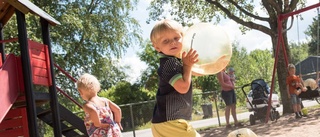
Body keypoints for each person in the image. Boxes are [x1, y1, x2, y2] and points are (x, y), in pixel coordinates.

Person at [149, 19, 201, 137]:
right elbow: (183, 87)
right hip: (171, 121)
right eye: (166, 41)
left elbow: (194, 72)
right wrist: (187, 65)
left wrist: (215, 66)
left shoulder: (173, 62)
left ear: (184, 38)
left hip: (164, 122)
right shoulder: (169, 63)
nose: (173, 43)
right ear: (157, 47)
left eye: (176, 38)